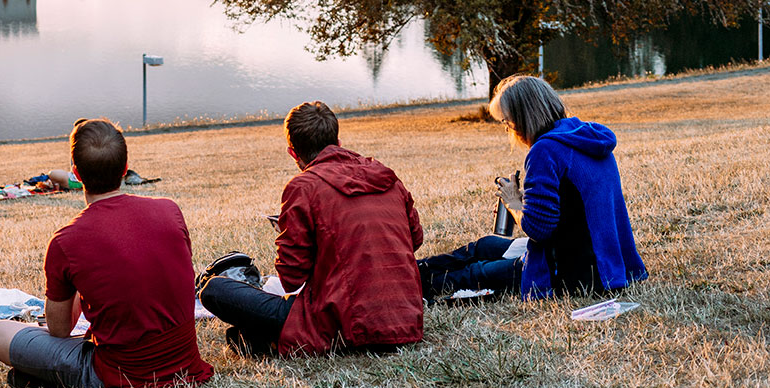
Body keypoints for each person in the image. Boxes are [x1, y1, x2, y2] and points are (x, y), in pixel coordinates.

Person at [0, 118, 214, 388]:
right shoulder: (169, 210)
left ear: (76, 174)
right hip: (185, 363)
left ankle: (46, 377)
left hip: (119, 374)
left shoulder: (66, 241)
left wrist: (81, 285)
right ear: (125, 168)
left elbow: (59, 331)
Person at [197, 101, 424, 356]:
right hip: (407, 320)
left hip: (342, 324)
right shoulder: (387, 177)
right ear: (338, 141)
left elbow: (291, 277)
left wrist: (289, 234)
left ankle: (263, 338)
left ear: (293, 153)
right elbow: (415, 239)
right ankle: (257, 339)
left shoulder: (304, 187)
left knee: (214, 290)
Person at [419, 75, 648, 300]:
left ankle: (410, 282)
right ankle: (414, 269)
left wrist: (514, 203)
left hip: (575, 272)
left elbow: (539, 230)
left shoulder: (545, 150)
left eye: (507, 122)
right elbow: (572, 209)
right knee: (484, 245)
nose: (508, 130)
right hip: (606, 259)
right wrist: (528, 201)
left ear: (523, 118)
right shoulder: (585, 137)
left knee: (476, 272)